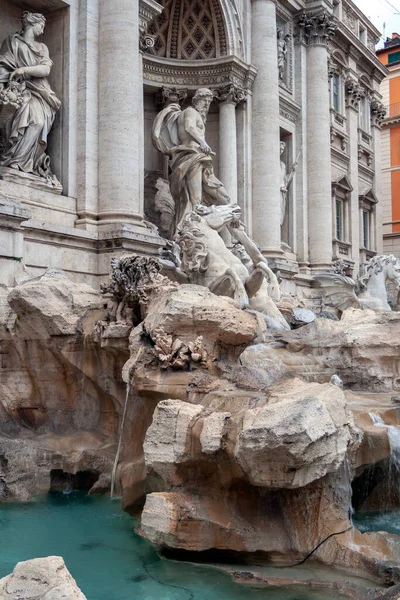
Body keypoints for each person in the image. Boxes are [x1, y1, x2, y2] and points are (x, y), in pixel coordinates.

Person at [152, 88, 230, 236]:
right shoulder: (190, 112)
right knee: (195, 200)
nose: (206, 106)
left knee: (224, 197)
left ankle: (225, 236)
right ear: (196, 100)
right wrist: (202, 142)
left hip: (200, 158)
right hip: (191, 156)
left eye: (208, 103)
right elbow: (189, 127)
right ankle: (191, 236)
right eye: (204, 102)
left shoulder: (198, 115)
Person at [0, 11, 61, 182]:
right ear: (32, 24)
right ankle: (14, 162)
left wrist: (23, 70)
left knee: (38, 122)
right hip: (19, 90)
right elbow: (3, 66)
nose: (42, 29)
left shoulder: (42, 48)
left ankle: (24, 163)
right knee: (22, 118)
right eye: (41, 25)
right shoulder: (12, 42)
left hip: (40, 91)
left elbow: (45, 70)